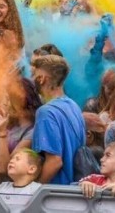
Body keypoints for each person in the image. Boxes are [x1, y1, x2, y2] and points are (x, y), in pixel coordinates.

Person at [31, 54, 86, 184]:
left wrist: (34, 190)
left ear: (42, 79)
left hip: (55, 195)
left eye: (34, 75)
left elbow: (55, 161)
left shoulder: (46, 112)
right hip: (73, 192)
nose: (32, 79)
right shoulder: (74, 106)